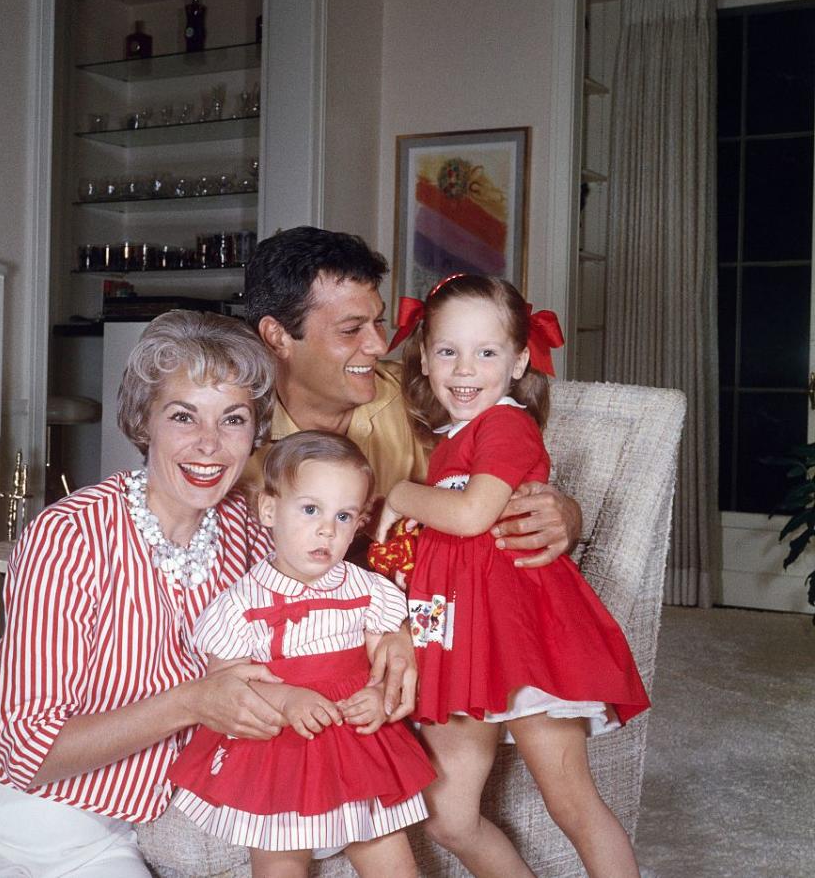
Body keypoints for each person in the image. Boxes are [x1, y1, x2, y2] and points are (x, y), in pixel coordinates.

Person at [0, 311, 391, 877]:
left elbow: (348, 594)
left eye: (233, 419)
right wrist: (194, 700)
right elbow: (28, 754)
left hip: (107, 838)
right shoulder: (70, 535)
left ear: (255, 433)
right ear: (143, 420)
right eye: (183, 416)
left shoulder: (254, 533)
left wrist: (396, 636)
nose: (210, 444)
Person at [374, 274, 651, 878]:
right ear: (424, 356)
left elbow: (472, 516)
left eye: (487, 352)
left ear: (521, 358)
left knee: (570, 801)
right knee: (449, 819)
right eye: (448, 350)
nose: (464, 368)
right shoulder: (449, 440)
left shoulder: (506, 424)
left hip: (524, 638)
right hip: (457, 639)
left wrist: (399, 493)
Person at [167, 431, 436, 877]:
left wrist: (378, 694)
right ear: (269, 509)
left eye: (344, 516)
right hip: (278, 749)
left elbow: (388, 659)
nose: (327, 530)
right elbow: (225, 684)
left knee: (389, 858)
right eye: (310, 510)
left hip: (356, 740)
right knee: (279, 862)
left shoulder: (366, 589)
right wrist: (288, 699)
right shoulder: (240, 603)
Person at [242, 226, 582, 569]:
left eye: (379, 321)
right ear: (278, 336)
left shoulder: (428, 392)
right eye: (350, 329)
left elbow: (509, 469)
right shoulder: (229, 436)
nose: (379, 344)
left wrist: (567, 515)